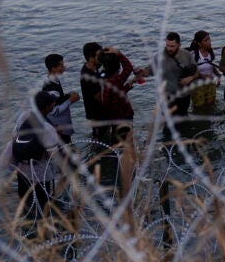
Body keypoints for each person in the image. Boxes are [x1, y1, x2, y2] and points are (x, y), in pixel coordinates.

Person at [0, 91, 60, 220]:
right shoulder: (48, 128)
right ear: (48, 107)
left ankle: (27, 229)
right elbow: (53, 157)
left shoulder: (24, 116)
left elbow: (15, 138)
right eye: (52, 102)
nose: (54, 103)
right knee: (45, 208)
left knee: (26, 204)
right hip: (41, 175)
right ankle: (43, 233)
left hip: (22, 171)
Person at [99, 48, 137, 197]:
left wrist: (126, 87)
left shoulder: (106, 80)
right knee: (127, 144)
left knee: (117, 143)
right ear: (117, 67)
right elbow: (129, 67)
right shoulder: (116, 80)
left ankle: (118, 166)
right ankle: (128, 173)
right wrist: (119, 53)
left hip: (115, 118)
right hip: (124, 117)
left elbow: (111, 98)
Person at [141, 32, 198, 116]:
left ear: (179, 45)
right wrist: (142, 72)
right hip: (167, 96)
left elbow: (197, 72)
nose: (169, 49)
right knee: (168, 122)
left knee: (183, 120)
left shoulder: (186, 55)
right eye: (167, 45)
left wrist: (190, 78)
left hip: (184, 96)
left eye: (172, 46)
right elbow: (150, 70)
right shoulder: (159, 57)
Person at [42, 54, 80, 144]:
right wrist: (70, 100)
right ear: (53, 68)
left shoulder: (54, 80)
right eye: (61, 65)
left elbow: (58, 100)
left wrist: (68, 96)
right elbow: (54, 111)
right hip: (59, 129)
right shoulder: (50, 86)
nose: (64, 67)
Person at [80, 42, 109, 139]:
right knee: (101, 138)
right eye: (99, 55)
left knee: (103, 135)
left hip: (100, 112)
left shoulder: (95, 67)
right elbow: (98, 97)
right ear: (91, 58)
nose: (101, 57)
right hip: (97, 114)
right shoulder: (88, 76)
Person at [188, 30, 221, 113]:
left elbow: (211, 65)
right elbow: (191, 71)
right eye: (206, 40)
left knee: (211, 106)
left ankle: (210, 124)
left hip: (210, 83)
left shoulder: (210, 52)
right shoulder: (193, 55)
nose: (209, 42)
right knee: (199, 108)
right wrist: (203, 76)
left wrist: (218, 75)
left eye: (209, 39)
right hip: (197, 86)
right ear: (199, 43)